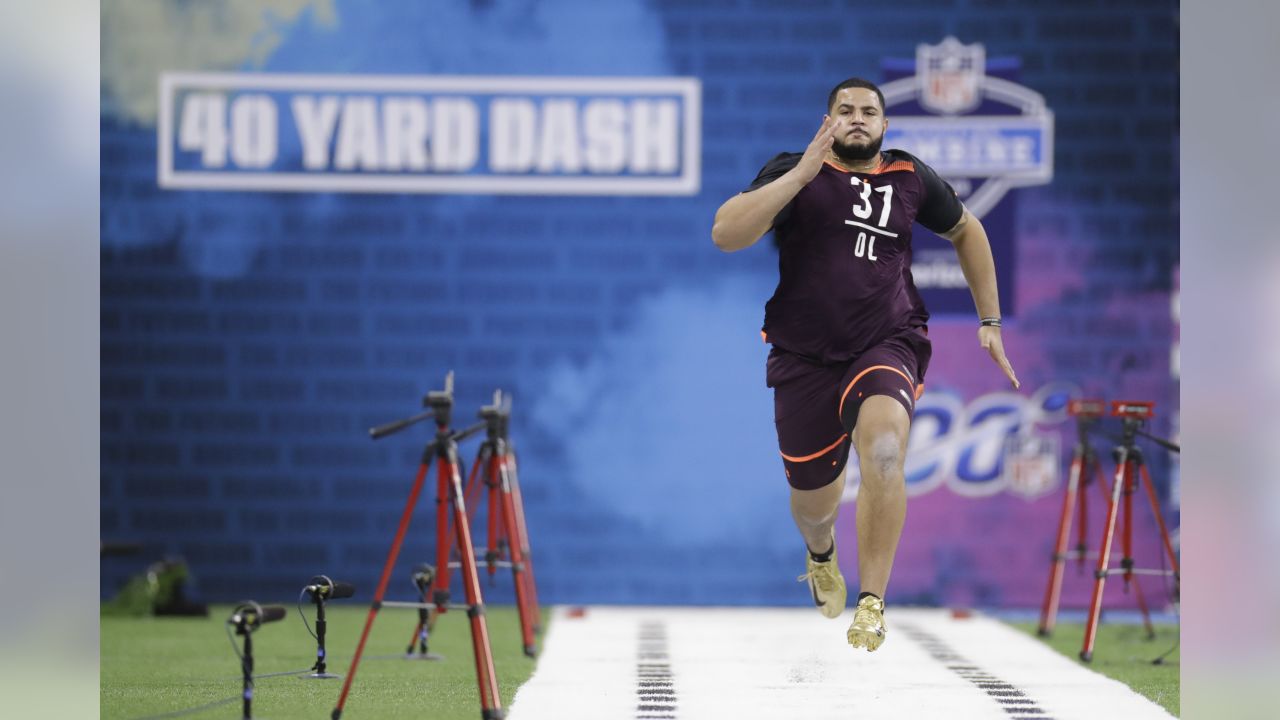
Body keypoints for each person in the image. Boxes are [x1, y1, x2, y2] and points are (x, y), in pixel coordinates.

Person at [711, 77, 1019, 652]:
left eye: (869, 111)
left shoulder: (908, 175)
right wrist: (801, 173)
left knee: (883, 449)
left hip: (887, 341)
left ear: (884, 124)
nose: (858, 118)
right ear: (827, 120)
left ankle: (873, 602)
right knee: (814, 504)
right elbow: (726, 233)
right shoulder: (794, 168)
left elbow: (966, 229)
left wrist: (991, 322)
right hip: (804, 355)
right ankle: (822, 554)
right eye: (845, 110)